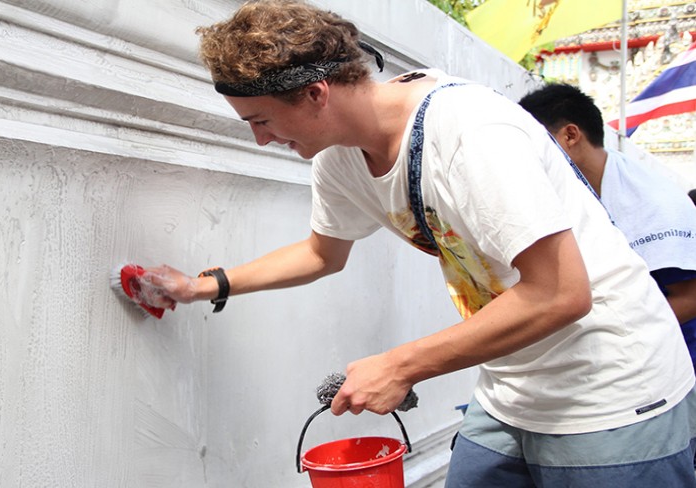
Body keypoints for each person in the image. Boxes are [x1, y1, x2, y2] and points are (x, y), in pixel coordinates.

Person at [138, 1, 696, 485]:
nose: (261, 139)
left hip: (613, 387)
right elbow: (319, 254)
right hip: (512, 389)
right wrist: (200, 286)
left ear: (315, 94)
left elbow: (561, 293)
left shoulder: (471, 134)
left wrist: (401, 366)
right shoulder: (339, 159)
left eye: (261, 121)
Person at [519, 83, 696, 370]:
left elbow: (690, 298)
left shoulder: (654, 203)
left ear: (570, 135)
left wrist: (611, 342)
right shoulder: (574, 192)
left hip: (666, 361)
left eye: (534, 143)